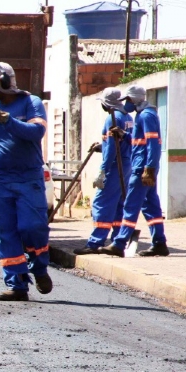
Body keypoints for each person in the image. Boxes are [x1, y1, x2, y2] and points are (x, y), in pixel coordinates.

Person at [0, 62, 51, 301]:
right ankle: (16, 284)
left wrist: (7, 120)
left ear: (4, 82)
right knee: (4, 233)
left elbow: (36, 133)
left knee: (31, 227)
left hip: (28, 178)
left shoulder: (31, 103)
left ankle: (39, 268)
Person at [99, 85, 168, 257]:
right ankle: (159, 242)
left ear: (134, 99)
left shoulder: (146, 116)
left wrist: (149, 168)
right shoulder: (143, 115)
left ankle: (119, 243)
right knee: (151, 206)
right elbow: (139, 141)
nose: (126, 104)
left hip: (142, 169)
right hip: (144, 166)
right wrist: (124, 135)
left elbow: (153, 143)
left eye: (128, 100)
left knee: (131, 205)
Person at [73, 88, 132, 255]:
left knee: (102, 203)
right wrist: (102, 146)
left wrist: (103, 171)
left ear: (107, 104)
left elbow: (113, 148)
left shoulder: (112, 119)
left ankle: (95, 243)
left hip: (115, 166)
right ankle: (116, 240)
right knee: (119, 204)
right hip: (127, 165)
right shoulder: (128, 118)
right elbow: (122, 142)